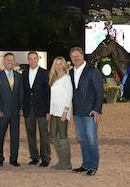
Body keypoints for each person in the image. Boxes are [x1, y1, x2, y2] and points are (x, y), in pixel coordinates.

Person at [69, 47, 103, 176]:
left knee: (91, 139)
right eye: (73, 57)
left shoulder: (92, 71)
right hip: (77, 112)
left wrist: (97, 110)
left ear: (82, 56)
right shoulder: (71, 72)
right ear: (71, 59)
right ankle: (85, 165)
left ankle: (93, 167)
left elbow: (99, 91)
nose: (76, 58)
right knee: (82, 139)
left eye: (78, 56)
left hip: (90, 112)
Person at [0, 53, 23, 167]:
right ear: (4, 61)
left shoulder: (19, 76)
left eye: (12, 60)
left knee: (15, 136)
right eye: (8, 60)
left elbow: (21, 93)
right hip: (2, 112)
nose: (10, 61)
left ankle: (14, 159)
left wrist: (21, 108)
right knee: (0, 136)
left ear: (14, 62)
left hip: (15, 113)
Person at [21, 51, 51, 167]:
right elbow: (23, 92)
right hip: (28, 108)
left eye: (34, 58)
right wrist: (22, 108)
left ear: (38, 59)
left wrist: (48, 110)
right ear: (28, 60)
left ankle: (45, 158)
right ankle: (34, 157)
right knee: (30, 133)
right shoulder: (24, 73)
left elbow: (48, 93)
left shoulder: (44, 73)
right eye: (30, 59)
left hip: (42, 109)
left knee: (44, 134)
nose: (32, 60)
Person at [49, 56, 73, 170]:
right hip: (54, 111)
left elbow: (69, 96)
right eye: (56, 64)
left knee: (63, 135)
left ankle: (67, 162)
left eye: (60, 64)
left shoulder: (66, 78)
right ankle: (62, 160)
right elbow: (52, 97)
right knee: (52, 134)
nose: (58, 66)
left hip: (63, 111)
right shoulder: (54, 77)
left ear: (63, 65)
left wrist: (65, 111)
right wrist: (50, 112)